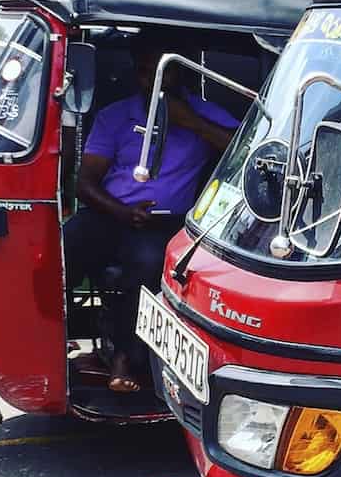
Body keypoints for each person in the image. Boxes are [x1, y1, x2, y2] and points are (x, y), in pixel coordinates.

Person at [63, 37, 237, 392]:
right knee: (64, 247)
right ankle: (53, 335)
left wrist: (192, 124)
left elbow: (243, 148)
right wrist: (122, 212)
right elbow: (86, 182)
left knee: (146, 265)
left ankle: (126, 357)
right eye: (144, 73)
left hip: (165, 222)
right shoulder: (116, 116)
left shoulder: (202, 112)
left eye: (160, 74)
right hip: (112, 212)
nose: (150, 82)